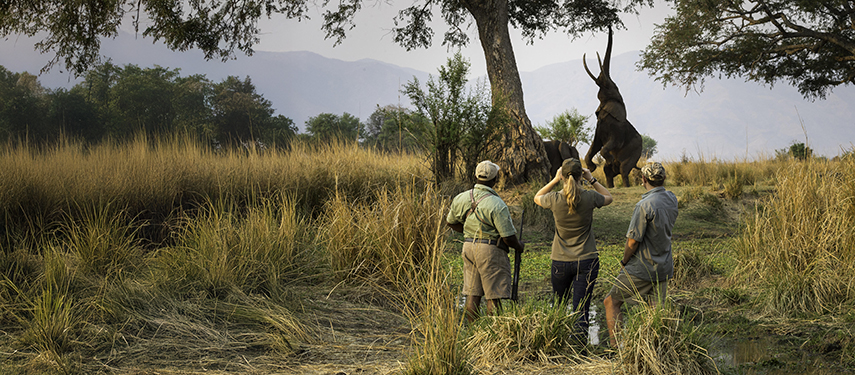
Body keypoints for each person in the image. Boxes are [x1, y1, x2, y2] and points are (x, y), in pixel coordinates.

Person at [533, 158, 613, 337]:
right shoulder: (590, 197)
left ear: (562, 176)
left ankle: (556, 343)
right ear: (580, 176)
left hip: (560, 261)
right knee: (581, 309)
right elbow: (609, 197)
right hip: (587, 260)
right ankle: (579, 349)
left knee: (559, 306)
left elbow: (536, 197)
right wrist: (592, 179)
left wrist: (554, 180)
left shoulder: (554, 198)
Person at [603, 161, 678, 348]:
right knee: (656, 312)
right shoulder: (672, 198)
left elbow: (633, 241)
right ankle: (654, 350)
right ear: (663, 179)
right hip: (664, 265)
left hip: (643, 266)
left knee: (611, 302)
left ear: (643, 179)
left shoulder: (644, 205)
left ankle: (617, 349)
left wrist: (624, 261)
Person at [446, 160, 525, 323]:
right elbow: (508, 237)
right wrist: (519, 246)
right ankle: (493, 334)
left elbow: (451, 222)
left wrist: (469, 232)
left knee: (473, 294)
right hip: (490, 251)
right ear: (495, 179)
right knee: (493, 295)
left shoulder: (461, 198)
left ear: (475, 176)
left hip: (468, 247)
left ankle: (473, 332)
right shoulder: (497, 204)